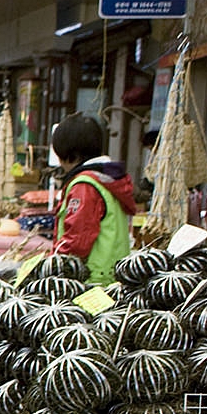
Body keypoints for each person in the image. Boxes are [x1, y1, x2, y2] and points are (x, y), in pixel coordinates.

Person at [53, 113, 138, 285]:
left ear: (71, 154)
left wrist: (53, 264)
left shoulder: (85, 185)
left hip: (90, 279)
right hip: (112, 274)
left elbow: (78, 240)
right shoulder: (108, 179)